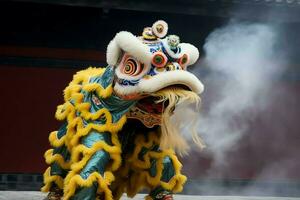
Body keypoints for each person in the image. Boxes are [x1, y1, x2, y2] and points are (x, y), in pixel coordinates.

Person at [42, 20, 204, 200]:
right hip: (100, 119)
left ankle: (162, 192)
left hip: (139, 130)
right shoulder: (108, 88)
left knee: (162, 158)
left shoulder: (163, 92)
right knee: (94, 155)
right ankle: (61, 189)